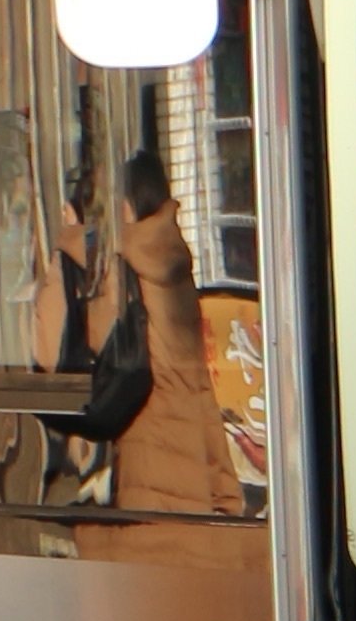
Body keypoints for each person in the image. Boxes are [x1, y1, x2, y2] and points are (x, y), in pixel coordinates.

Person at [61, 144, 243, 519]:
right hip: (189, 441)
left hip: (155, 443)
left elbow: (87, 245)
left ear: (127, 205)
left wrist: (66, 231)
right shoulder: (168, 252)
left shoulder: (140, 248)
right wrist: (224, 487)